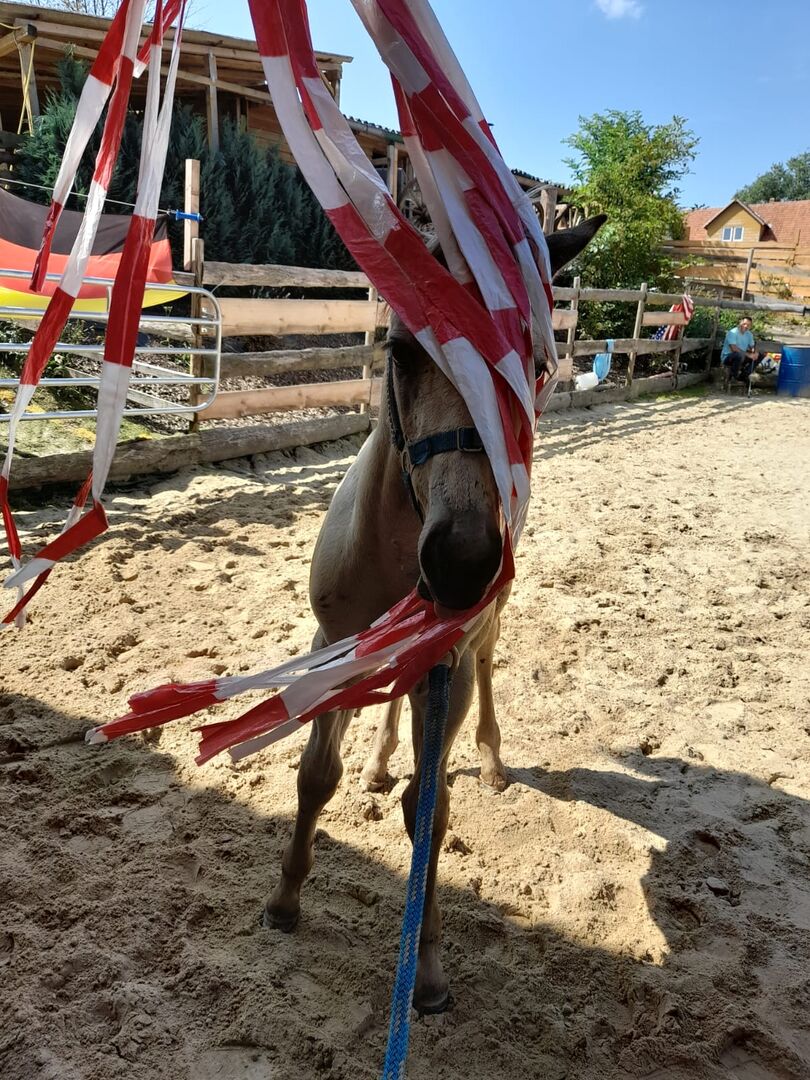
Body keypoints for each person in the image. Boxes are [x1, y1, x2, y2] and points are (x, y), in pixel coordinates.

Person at [720, 317, 761, 382]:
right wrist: (748, 355)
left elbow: (752, 346)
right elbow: (734, 348)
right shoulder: (733, 332)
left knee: (760, 355)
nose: (746, 326)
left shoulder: (749, 334)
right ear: (740, 322)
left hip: (742, 356)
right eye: (744, 324)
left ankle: (743, 376)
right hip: (728, 357)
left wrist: (755, 352)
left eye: (748, 325)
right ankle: (733, 377)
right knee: (738, 355)